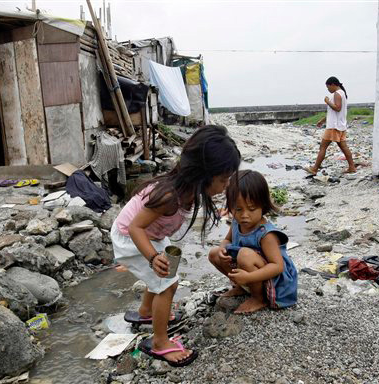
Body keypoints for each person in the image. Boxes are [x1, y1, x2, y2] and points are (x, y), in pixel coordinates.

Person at [111, 125, 241, 366]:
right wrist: (151, 257)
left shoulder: (190, 190)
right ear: (202, 174)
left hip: (151, 234)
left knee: (165, 273)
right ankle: (160, 342)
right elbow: (135, 228)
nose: (226, 185)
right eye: (223, 179)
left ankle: (146, 312)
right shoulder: (169, 196)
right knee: (167, 284)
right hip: (131, 237)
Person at [208, 170, 298, 313]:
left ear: (263, 205)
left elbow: (277, 266)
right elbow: (227, 240)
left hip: (275, 282)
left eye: (251, 209)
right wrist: (222, 249)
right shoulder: (236, 224)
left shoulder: (266, 234)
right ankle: (242, 287)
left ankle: (259, 298)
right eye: (238, 209)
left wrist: (249, 276)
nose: (244, 215)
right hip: (252, 272)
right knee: (214, 253)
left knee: (244, 255)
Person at [305, 76, 356, 175]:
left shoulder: (337, 94)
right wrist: (323, 120)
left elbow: (337, 108)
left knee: (323, 147)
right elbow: (335, 112)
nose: (328, 89)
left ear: (333, 84)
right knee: (344, 147)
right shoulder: (342, 94)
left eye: (328, 87)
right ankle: (352, 167)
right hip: (340, 125)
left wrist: (327, 101)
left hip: (334, 126)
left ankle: (314, 168)